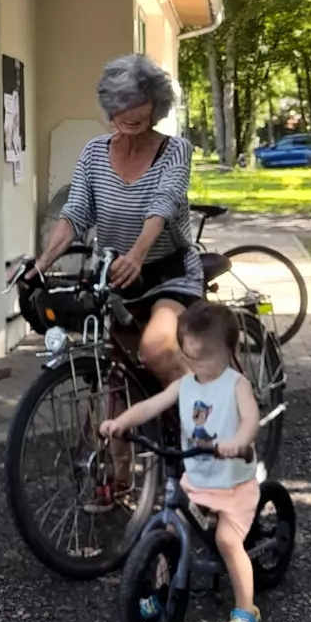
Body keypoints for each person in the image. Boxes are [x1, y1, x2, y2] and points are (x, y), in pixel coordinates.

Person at [100, 300, 263, 622]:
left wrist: (238, 441)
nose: (189, 362)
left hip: (233, 485)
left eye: (199, 357)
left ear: (226, 353)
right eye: (185, 354)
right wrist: (121, 422)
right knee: (170, 529)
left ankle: (246, 610)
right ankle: (161, 590)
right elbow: (149, 406)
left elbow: (251, 418)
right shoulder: (185, 384)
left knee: (227, 540)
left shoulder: (236, 385)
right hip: (199, 479)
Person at [30, 54, 200, 382]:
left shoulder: (176, 150)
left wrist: (137, 255)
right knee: (118, 371)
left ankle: (203, 407)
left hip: (169, 275)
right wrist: (41, 263)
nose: (129, 113)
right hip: (117, 278)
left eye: (138, 103)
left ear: (155, 105)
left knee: (155, 350)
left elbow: (162, 206)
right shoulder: (94, 153)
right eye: (121, 104)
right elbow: (75, 214)